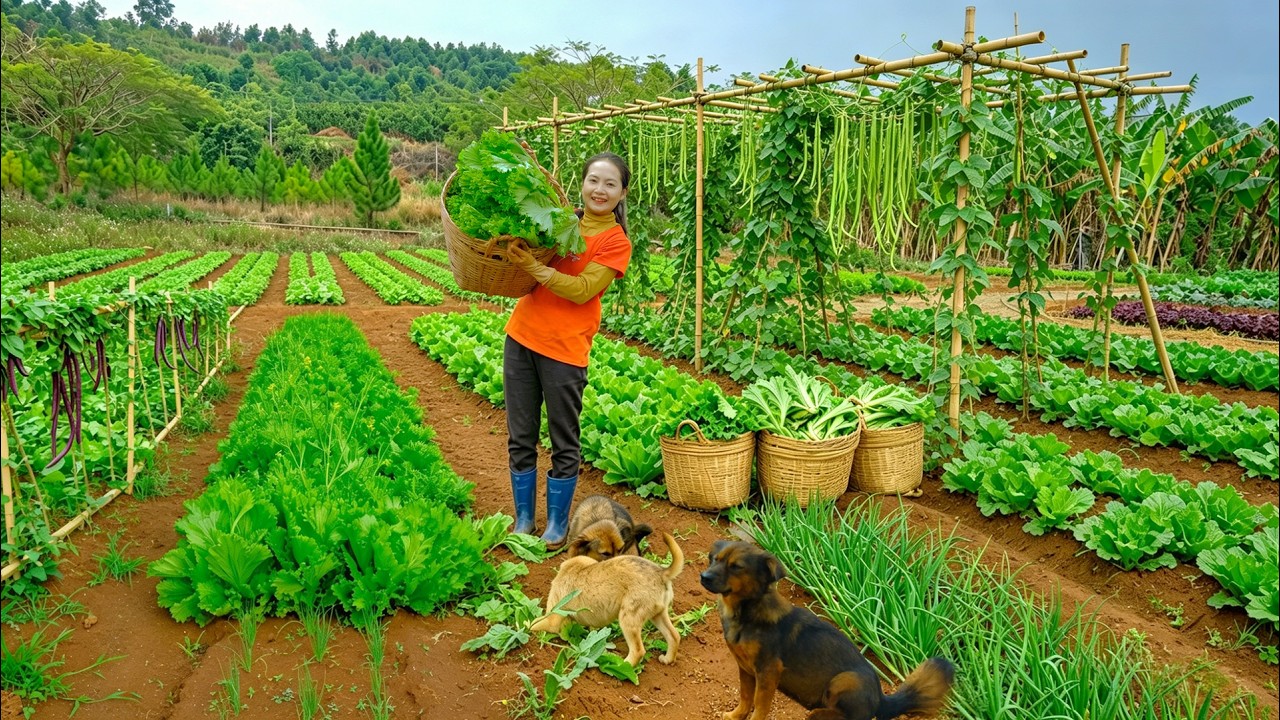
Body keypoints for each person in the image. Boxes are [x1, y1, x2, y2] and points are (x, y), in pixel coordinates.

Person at [503, 152, 632, 547]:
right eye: (594, 180)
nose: (600, 190)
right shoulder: (560, 222)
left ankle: (557, 524)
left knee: (564, 441)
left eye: (610, 184)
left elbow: (582, 290)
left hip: (565, 351)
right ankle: (524, 519)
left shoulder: (615, 242)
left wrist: (536, 268)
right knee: (520, 435)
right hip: (521, 337)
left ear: (622, 193)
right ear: (582, 183)